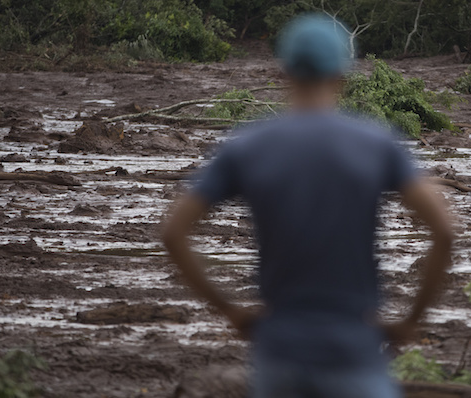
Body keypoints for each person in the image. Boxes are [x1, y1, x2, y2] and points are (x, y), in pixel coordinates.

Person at [161, 14, 454, 398]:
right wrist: (410, 319)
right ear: (342, 74)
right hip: (354, 351)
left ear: (284, 71)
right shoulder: (376, 144)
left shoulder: (246, 146)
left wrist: (229, 309)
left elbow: (173, 232)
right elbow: (445, 231)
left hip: (279, 352)